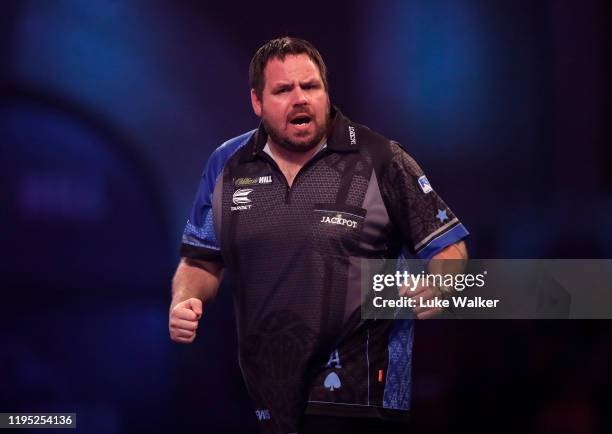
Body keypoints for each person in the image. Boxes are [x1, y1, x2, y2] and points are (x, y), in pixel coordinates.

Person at [169, 36, 469, 434]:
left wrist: (441, 283)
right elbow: (200, 259)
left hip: (361, 392)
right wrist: (185, 299)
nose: (300, 99)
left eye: (310, 87)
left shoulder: (381, 158)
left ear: (326, 92)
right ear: (257, 102)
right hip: (264, 393)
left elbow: (449, 246)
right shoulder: (227, 163)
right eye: (283, 90)